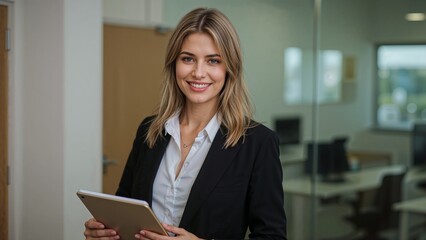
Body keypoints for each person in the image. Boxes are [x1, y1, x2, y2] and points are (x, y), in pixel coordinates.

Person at [84, 7, 287, 240]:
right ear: (174, 63)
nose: (198, 72)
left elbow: (272, 236)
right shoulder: (149, 130)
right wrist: (106, 232)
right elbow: (124, 210)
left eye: (213, 60)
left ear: (229, 68)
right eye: (188, 58)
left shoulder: (258, 143)